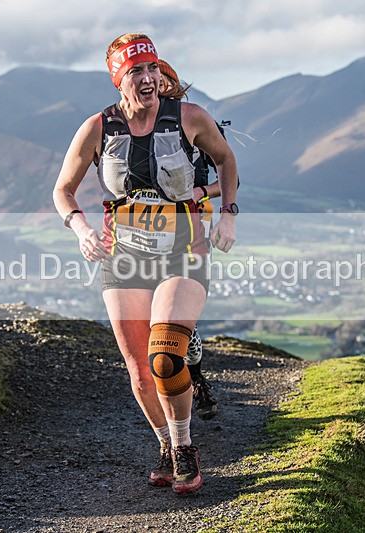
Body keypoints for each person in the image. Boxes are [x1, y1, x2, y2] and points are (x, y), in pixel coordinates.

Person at [53, 33, 239, 495]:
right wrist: (81, 230)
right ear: (120, 80)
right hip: (125, 256)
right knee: (138, 370)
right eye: (136, 71)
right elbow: (63, 190)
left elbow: (226, 161)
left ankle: (184, 447)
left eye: (152, 68)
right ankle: (164, 446)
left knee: (164, 354)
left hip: (184, 250)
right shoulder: (98, 128)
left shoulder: (190, 118)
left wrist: (228, 216)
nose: (148, 77)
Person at [157, 58, 219, 421]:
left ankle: (196, 381)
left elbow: (230, 178)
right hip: (143, 238)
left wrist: (199, 191)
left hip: (190, 233)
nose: (159, 86)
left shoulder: (194, 122)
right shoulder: (133, 128)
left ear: (175, 85)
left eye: (166, 81)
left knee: (183, 327)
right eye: (154, 80)